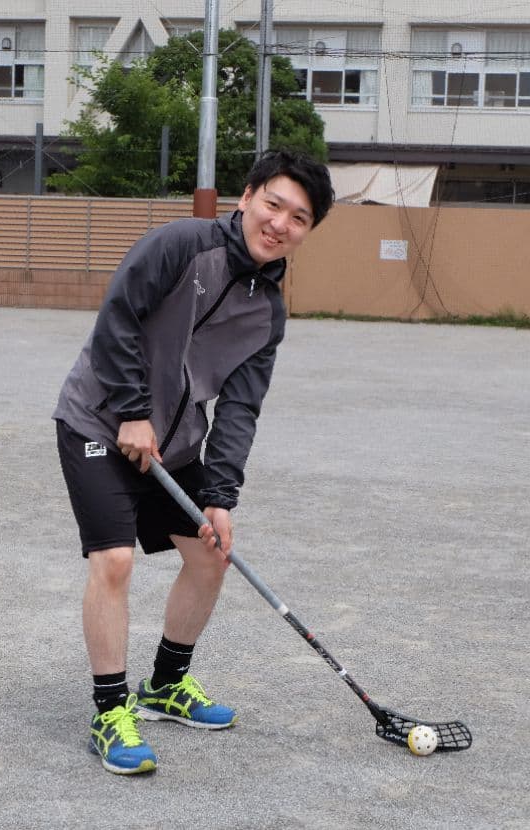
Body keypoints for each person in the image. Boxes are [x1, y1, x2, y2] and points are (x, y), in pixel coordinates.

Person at [53, 151, 334, 775]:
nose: (281, 223)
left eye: (299, 217)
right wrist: (130, 411)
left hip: (173, 447)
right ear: (248, 196)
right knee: (115, 559)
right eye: (274, 204)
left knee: (211, 552)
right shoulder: (182, 244)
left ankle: (165, 687)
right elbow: (118, 317)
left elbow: (239, 408)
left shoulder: (269, 312)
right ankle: (109, 710)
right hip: (98, 423)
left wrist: (222, 497)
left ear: (308, 231)